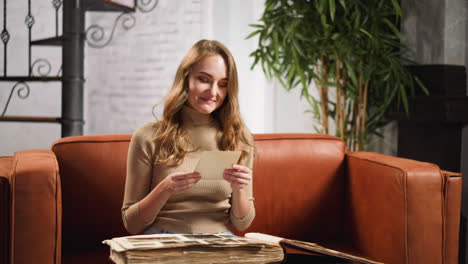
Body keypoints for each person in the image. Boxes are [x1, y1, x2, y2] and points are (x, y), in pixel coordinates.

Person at [121, 40, 255, 235]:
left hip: (220, 242)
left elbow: (242, 224)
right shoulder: (148, 136)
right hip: (163, 238)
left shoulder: (239, 137)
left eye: (223, 84)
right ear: (185, 78)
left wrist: (240, 189)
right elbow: (131, 223)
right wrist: (165, 188)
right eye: (204, 79)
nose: (213, 92)